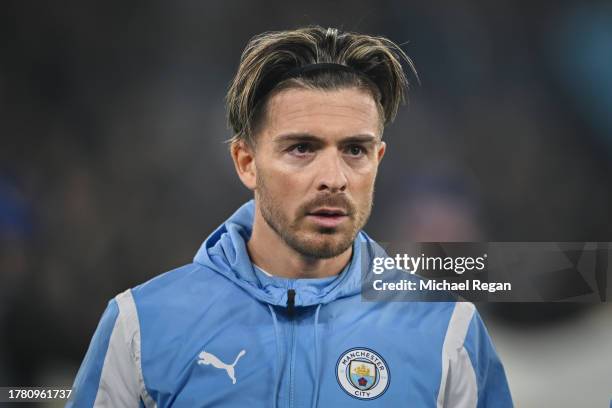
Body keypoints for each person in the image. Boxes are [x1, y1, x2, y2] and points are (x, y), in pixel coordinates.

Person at [67, 26, 513, 407]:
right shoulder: (141, 325)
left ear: (378, 158)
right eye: (302, 148)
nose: (333, 178)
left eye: (355, 150)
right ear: (246, 161)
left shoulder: (447, 331)